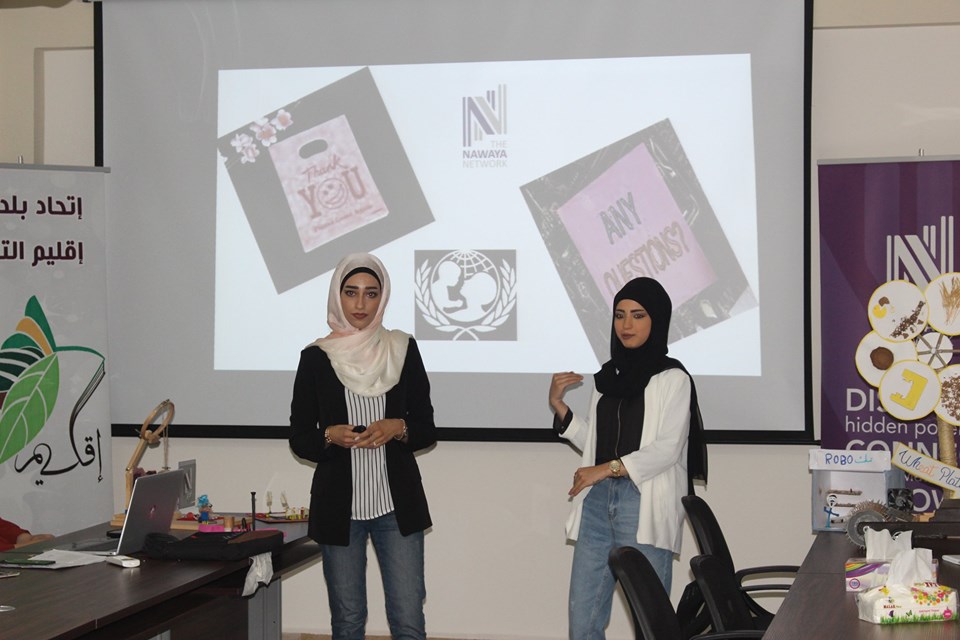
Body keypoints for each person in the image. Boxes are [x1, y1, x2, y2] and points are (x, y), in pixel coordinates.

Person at [289, 253, 437, 640]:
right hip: (340, 509)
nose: (360, 303)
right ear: (337, 296)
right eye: (351, 292)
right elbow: (299, 436)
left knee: (408, 618)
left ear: (382, 298)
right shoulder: (316, 358)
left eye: (371, 294)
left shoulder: (402, 348)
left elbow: (426, 428)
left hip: (396, 508)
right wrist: (328, 435)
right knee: (348, 620)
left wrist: (399, 427)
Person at [549, 277, 707, 639]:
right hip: (597, 504)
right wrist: (559, 407)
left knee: (651, 623)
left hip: (642, 503)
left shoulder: (673, 379)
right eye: (620, 315)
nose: (626, 324)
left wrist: (606, 469)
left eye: (638, 315)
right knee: (583, 621)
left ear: (657, 320)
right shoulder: (607, 378)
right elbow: (596, 443)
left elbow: (667, 449)